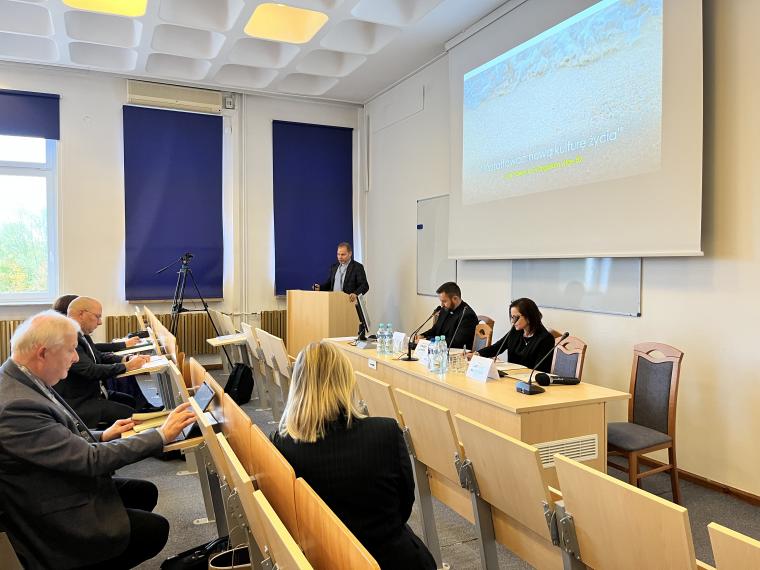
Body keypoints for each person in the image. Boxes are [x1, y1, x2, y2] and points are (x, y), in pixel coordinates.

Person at [0, 310, 196, 569]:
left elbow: (55, 434)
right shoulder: (17, 407)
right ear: (43, 353)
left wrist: (102, 434)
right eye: (71, 350)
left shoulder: (21, 378)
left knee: (143, 492)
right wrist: (160, 435)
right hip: (46, 511)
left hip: (51, 481)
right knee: (154, 530)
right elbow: (90, 460)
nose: (75, 358)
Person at [270, 342, 435, 570]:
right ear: (347, 381)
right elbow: (405, 502)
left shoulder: (283, 445)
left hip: (321, 561)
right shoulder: (386, 432)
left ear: (298, 386)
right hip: (390, 557)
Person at [54, 296, 154, 427]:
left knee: (130, 401)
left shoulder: (82, 334)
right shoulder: (68, 337)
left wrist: (125, 358)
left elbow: (98, 355)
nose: (100, 322)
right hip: (79, 402)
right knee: (130, 415)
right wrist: (126, 366)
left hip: (92, 393)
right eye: (97, 316)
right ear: (81, 314)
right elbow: (90, 370)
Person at [475, 297, 556, 372]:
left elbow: (540, 370)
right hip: (511, 377)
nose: (513, 322)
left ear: (529, 316)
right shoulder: (515, 332)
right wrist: (476, 354)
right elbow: (496, 348)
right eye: (512, 317)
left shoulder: (546, 339)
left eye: (516, 317)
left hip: (528, 380)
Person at [52, 294, 143, 352]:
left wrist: (124, 344)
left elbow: (92, 348)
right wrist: (124, 345)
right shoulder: (67, 337)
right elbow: (93, 350)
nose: (99, 322)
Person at [418, 281, 479, 349]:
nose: (442, 305)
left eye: (444, 301)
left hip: (458, 353)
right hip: (440, 350)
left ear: (455, 299)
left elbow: (457, 342)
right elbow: (435, 329)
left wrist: (428, 340)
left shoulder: (467, 315)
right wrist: (422, 336)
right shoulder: (445, 309)